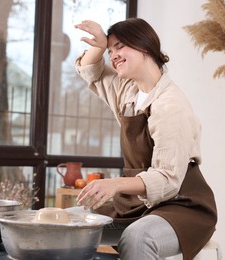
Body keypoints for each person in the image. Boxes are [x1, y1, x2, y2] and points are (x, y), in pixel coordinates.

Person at [74, 18, 217, 260]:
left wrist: (115, 184)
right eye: (110, 51)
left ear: (145, 46)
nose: (113, 56)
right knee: (71, 223)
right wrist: (99, 45)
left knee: (138, 237)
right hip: (134, 204)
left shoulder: (171, 105)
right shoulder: (127, 91)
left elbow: (167, 179)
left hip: (181, 204)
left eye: (120, 47)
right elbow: (92, 73)